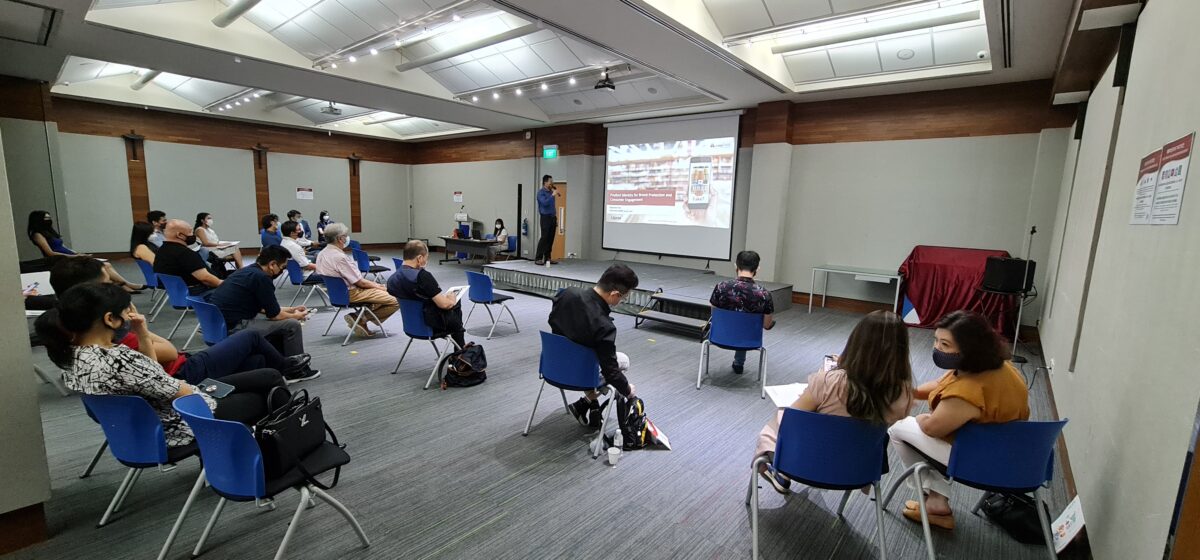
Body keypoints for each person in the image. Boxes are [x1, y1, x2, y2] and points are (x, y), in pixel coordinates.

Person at [34, 283, 307, 445]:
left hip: (139, 428)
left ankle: (253, 445)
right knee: (270, 388)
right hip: (180, 421)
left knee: (264, 371)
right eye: (127, 311)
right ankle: (284, 447)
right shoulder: (119, 358)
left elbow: (152, 374)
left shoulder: (71, 356)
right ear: (110, 319)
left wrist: (142, 333)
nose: (131, 315)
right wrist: (203, 387)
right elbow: (182, 390)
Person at [888, 310, 1030, 530]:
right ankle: (937, 500)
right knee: (923, 432)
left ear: (969, 348)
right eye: (936, 340)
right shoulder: (996, 366)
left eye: (945, 344)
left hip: (983, 462)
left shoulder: (968, 391)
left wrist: (923, 417)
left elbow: (932, 428)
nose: (937, 348)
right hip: (1009, 452)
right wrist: (910, 392)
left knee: (898, 427)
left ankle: (935, 503)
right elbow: (941, 384)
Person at [753, 310, 914, 494]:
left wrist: (826, 377)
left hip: (806, 463)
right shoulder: (902, 393)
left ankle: (778, 469)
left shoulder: (829, 382)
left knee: (781, 415)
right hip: (858, 469)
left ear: (856, 341)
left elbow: (793, 420)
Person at [50, 256, 186, 374]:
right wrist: (138, 327)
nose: (114, 287)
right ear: (93, 290)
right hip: (176, 371)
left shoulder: (66, 323)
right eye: (108, 283)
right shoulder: (106, 333)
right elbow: (170, 352)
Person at [205, 246, 319, 382]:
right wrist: (296, 316)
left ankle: (280, 363)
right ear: (272, 264)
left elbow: (264, 307)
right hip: (235, 326)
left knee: (281, 322)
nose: (282, 271)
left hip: (219, 324)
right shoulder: (262, 278)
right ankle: (295, 371)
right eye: (282, 267)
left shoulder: (246, 272)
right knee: (292, 325)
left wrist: (290, 309)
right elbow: (274, 315)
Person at [548, 264, 639, 428]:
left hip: (552, 365)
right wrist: (627, 390)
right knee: (623, 360)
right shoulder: (604, 325)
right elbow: (611, 372)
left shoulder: (566, 293)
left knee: (588, 355)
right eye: (623, 298)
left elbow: (553, 322)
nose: (621, 301)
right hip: (580, 376)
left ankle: (590, 404)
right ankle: (588, 401)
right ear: (614, 294)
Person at [26, 210, 145, 293]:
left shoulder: (50, 232)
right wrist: (74, 257)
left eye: (49, 217)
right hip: (60, 260)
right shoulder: (37, 234)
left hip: (70, 256)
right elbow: (50, 253)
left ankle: (123, 286)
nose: (49, 220)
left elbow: (63, 246)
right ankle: (126, 284)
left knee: (105, 265)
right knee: (104, 266)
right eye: (46, 218)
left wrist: (77, 253)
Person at [315, 222, 397, 337]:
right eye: (345, 235)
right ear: (340, 239)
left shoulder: (322, 254)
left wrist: (378, 287)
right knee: (396, 299)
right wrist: (380, 287)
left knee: (381, 294)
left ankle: (360, 319)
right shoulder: (340, 258)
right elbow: (360, 282)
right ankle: (360, 318)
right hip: (352, 293)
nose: (347, 238)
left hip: (335, 294)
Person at [386, 240, 466, 349]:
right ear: (419, 258)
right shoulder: (422, 276)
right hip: (430, 325)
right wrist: (451, 299)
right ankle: (460, 351)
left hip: (411, 326)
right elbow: (445, 305)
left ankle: (460, 349)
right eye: (426, 258)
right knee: (455, 303)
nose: (426, 261)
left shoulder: (393, 278)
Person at [710, 250, 776, 374]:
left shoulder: (721, 287)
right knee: (744, 327)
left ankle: (738, 362)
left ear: (736, 266)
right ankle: (739, 363)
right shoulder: (764, 294)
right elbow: (766, 325)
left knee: (736, 323)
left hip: (720, 337)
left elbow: (714, 314)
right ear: (757, 268)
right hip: (749, 340)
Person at [154, 219, 222, 295]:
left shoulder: (162, 251)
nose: (193, 235)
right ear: (180, 235)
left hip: (177, 293)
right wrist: (223, 284)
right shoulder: (185, 254)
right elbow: (206, 279)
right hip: (197, 293)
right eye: (190, 232)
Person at [534, 175, 560, 265]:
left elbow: (552, 207)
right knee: (544, 237)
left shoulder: (551, 192)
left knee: (551, 238)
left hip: (552, 217)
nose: (552, 183)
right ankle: (538, 258)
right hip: (545, 218)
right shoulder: (541, 193)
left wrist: (555, 218)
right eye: (550, 182)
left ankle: (548, 258)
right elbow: (544, 203)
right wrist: (552, 195)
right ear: (545, 182)